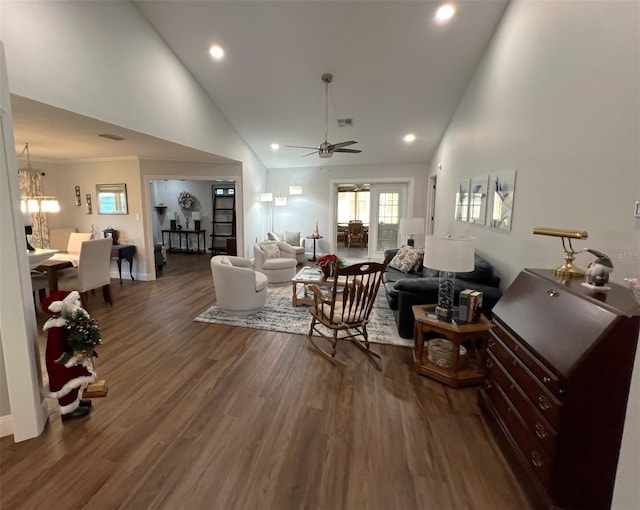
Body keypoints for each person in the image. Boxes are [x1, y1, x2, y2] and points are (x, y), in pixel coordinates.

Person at [42, 290, 98, 422]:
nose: (77, 304)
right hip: (62, 361)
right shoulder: (57, 326)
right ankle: (68, 410)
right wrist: (70, 358)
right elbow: (56, 348)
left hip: (73, 357)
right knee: (66, 384)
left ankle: (76, 401)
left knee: (76, 379)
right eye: (73, 302)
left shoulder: (70, 321)